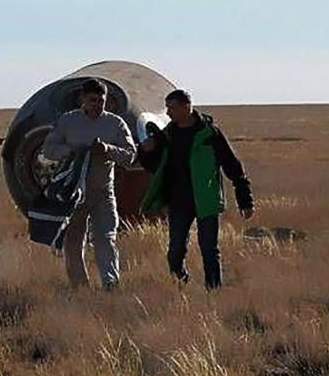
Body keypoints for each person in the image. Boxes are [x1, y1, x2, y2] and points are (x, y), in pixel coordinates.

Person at [137, 89, 255, 289]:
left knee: (209, 249)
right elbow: (154, 165)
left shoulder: (210, 133)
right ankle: (180, 281)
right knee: (175, 250)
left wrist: (245, 198)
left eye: (172, 108)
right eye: (167, 108)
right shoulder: (167, 134)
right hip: (178, 201)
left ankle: (214, 291)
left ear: (186, 107)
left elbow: (232, 165)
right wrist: (146, 151)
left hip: (206, 199)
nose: (168, 113)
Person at [38, 78, 137, 290]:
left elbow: (130, 155)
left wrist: (108, 150)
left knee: (106, 238)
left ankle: (111, 284)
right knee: (73, 241)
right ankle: (80, 287)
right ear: (83, 99)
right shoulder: (68, 121)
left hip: (103, 192)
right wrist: (72, 150)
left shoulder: (115, 123)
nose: (97, 105)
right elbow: (48, 150)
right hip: (75, 193)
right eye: (92, 100)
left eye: (101, 100)